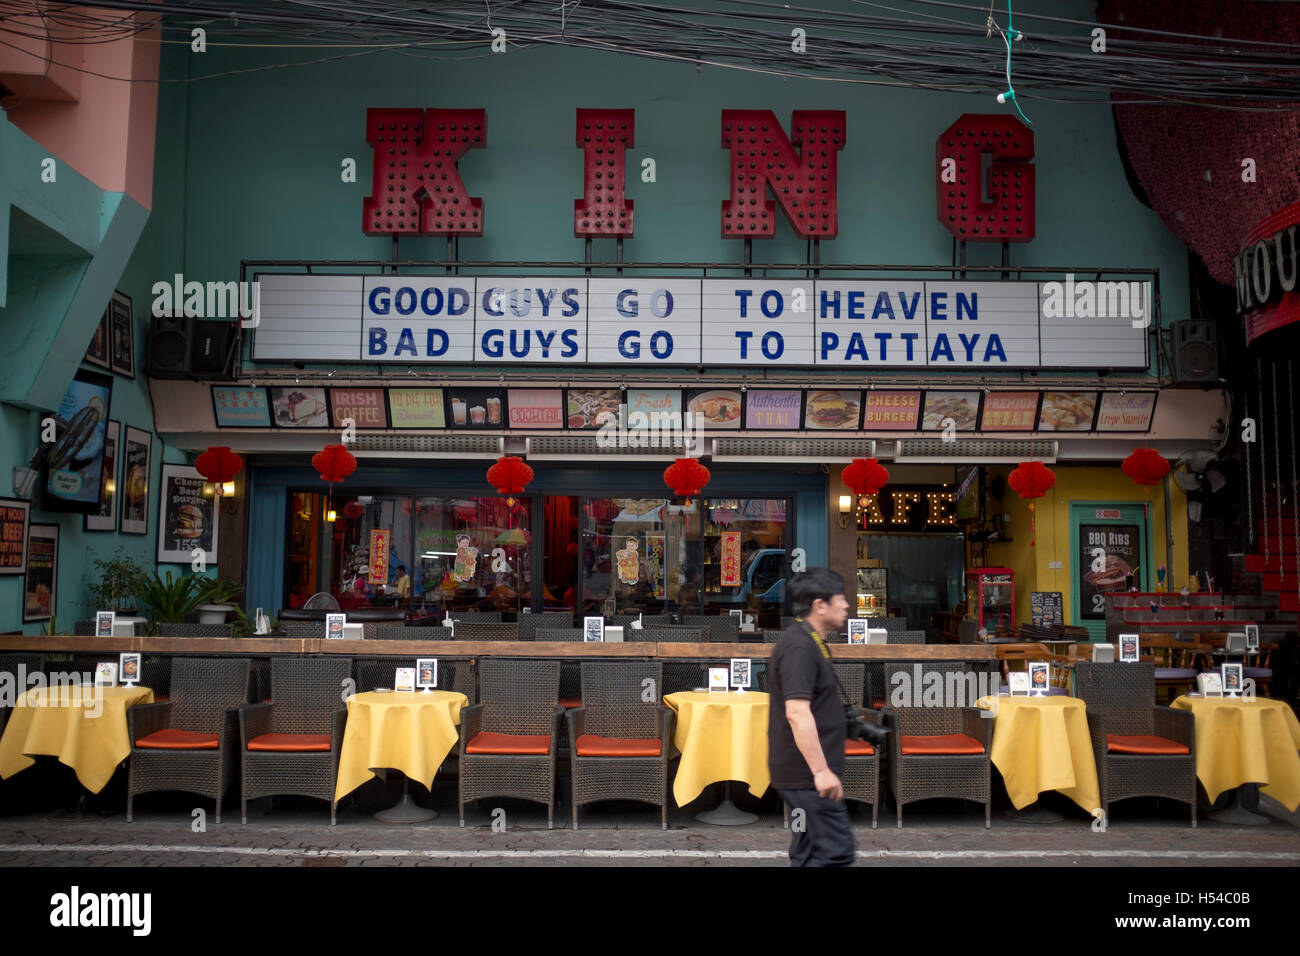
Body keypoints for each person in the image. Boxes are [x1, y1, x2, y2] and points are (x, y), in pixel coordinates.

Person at [767, 567, 858, 867]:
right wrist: (821, 772)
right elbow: (797, 712)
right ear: (820, 605)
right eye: (840, 599)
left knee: (806, 854)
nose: (846, 605)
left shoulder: (809, 642)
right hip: (806, 780)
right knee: (836, 853)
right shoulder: (799, 647)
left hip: (805, 779)